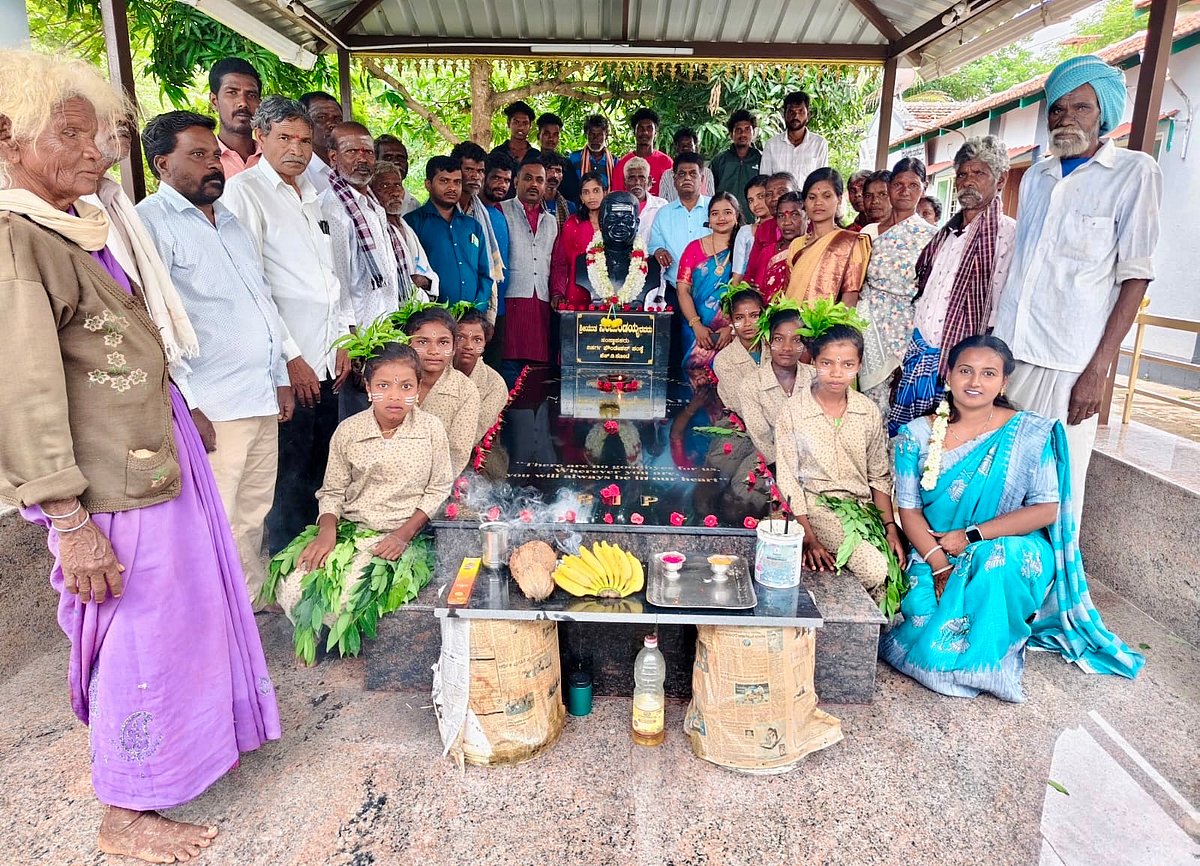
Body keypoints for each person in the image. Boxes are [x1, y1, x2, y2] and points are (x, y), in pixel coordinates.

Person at [0, 50, 279, 862]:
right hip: (111, 489)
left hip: (157, 455)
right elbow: (23, 390)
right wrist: (66, 520)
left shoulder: (82, 224)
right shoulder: (20, 239)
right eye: (71, 135)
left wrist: (177, 402)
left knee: (183, 620)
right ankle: (126, 808)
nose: (95, 153)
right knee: (141, 633)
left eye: (100, 136)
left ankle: (179, 757)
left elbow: (118, 342)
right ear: (8, 140)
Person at [882, 335, 1144, 700]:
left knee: (996, 563)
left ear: (1004, 383)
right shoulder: (916, 434)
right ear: (948, 375)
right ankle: (952, 657)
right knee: (922, 609)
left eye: (988, 374)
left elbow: (1045, 509)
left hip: (1011, 547)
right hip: (934, 550)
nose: (975, 382)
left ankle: (987, 667)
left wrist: (971, 536)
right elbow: (908, 509)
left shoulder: (1029, 433)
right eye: (966, 371)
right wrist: (940, 565)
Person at [994, 55, 1161, 525]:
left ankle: (1052, 593)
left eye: (1081, 107)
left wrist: (1098, 371)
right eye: (1057, 108)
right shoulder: (1036, 177)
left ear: (1103, 114)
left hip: (1070, 363)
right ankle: (999, 583)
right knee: (1004, 477)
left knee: (1058, 486)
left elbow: (1136, 276)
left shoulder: (1135, 172)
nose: (1066, 117)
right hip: (1011, 355)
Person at [137, 110, 294, 601]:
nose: (213, 164)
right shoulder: (151, 225)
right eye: (197, 155)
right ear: (163, 164)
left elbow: (261, 298)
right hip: (213, 404)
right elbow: (153, 321)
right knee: (217, 519)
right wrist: (190, 401)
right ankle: (215, 617)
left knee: (253, 512)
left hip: (259, 395)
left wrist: (281, 373)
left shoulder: (229, 221)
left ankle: (247, 608)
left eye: (213, 155)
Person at [221, 96, 353, 554]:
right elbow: (253, 286)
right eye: (284, 138)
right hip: (287, 364)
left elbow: (331, 280)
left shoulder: (313, 196)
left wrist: (343, 339)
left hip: (325, 358)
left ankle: (313, 565)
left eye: (303, 139)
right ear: (260, 137)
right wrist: (290, 358)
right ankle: (282, 569)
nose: (296, 149)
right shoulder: (244, 194)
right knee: (287, 477)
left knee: (320, 468)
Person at [267, 341, 451, 663]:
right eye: (383, 385)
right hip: (353, 531)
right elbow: (332, 491)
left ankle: (346, 642)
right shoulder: (348, 431)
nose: (395, 395)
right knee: (294, 583)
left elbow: (438, 488)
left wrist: (402, 535)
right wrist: (327, 532)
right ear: (368, 388)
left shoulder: (432, 429)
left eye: (406, 386)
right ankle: (326, 636)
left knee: (352, 591)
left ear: (419, 389)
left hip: (403, 534)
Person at [773, 304, 903, 602]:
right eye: (827, 363)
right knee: (873, 569)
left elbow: (878, 476)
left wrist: (890, 528)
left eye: (847, 365)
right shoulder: (794, 411)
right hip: (816, 508)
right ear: (813, 362)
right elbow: (790, 480)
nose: (836, 373)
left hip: (861, 509)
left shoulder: (867, 411)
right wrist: (807, 536)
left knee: (894, 569)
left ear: (858, 366)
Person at [890, 137, 1018, 436]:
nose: (967, 181)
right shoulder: (947, 233)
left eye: (979, 173)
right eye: (962, 174)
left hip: (962, 364)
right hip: (921, 354)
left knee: (948, 442)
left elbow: (1002, 307)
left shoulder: (1007, 235)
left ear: (1000, 179)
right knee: (910, 442)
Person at [321, 122, 426, 419]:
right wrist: (351, 342)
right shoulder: (334, 208)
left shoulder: (372, 206)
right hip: (359, 340)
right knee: (358, 423)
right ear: (333, 157)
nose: (361, 158)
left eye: (367, 151)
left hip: (383, 333)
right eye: (351, 151)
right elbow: (338, 281)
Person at [854, 157, 938, 415]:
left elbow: (930, 288)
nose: (904, 191)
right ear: (890, 187)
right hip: (867, 322)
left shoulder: (931, 236)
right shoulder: (869, 232)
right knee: (866, 398)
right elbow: (855, 279)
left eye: (913, 185)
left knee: (896, 397)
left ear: (924, 187)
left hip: (905, 326)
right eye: (899, 184)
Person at [404, 155, 494, 313]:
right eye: (444, 181)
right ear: (428, 184)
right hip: (431, 317)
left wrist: (477, 311)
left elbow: (484, 275)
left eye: (457, 182)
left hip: (470, 318)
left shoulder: (473, 226)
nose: (452, 188)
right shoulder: (412, 223)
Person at [500, 155, 559, 383]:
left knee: (536, 376)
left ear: (545, 185)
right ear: (516, 182)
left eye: (539, 180)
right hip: (511, 300)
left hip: (541, 303)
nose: (534, 184)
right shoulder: (501, 211)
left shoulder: (551, 221)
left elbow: (555, 263)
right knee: (509, 368)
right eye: (528, 178)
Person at [405, 305, 482, 475]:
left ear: (454, 348)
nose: (433, 351)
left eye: (443, 342)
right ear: (408, 344)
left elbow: (457, 453)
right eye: (423, 342)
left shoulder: (465, 391)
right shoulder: (392, 380)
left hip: (437, 486)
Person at [736, 298, 813, 465]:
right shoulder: (751, 386)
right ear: (768, 340)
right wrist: (789, 474)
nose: (787, 347)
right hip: (776, 468)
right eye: (779, 339)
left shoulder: (816, 379)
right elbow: (762, 441)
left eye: (797, 340)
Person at [677, 193, 742, 383]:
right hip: (695, 330)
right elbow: (683, 291)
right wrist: (696, 325)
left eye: (727, 212)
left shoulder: (745, 248)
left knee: (728, 383)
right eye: (715, 213)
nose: (721, 218)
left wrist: (731, 328)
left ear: (737, 217)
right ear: (709, 220)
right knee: (694, 382)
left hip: (733, 332)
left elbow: (751, 294)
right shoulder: (693, 248)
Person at [784, 168, 871, 305]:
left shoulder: (850, 242)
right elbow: (788, 292)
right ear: (804, 203)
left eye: (826, 196)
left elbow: (850, 299)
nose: (818, 202)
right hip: (792, 322)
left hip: (829, 324)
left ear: (839, 199)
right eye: (812, 197)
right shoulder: (797, 244)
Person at [368, 160, 440, 301]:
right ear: (370, 192)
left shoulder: (404, 225)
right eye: (385, 186)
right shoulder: (373, 228)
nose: (394, 192)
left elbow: (427, 273)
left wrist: (424, 281)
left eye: (397, 185)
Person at [450, 140, 506, 319]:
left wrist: (481, 308)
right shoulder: (443, 212)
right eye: (469, 170)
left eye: (480, 171)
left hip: (479, 304)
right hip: (448, 305)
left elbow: (486, 269)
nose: (476, 176)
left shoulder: (481, 213)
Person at [649, 152, 712, 287]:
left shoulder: (715, 208)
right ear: (674, 180)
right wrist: (658, 251)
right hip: (674, 288)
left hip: (712, 288)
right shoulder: (663, 213)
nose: (687, 178)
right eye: (682, 174)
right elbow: (654, 245)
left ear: (702, 178)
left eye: (693, 174)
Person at [551, 170, 606, 309]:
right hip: (577, 290)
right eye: (586, 192)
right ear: (581, 197)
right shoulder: (573, 223)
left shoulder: (613, 223)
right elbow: (561, 261)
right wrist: (558, 292)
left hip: (610, 292)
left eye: (596, 191)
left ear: (605, 193)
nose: (591, 196)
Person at [479, 152, 515, 367]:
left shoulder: (499, 215)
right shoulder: (473, 213)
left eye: (507, 180)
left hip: (499, 307)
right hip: (478, 308)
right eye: (496, 178)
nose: (502, 185)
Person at [736, 171, 798, 287]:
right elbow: (751, 273)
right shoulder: (764, 229)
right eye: (769, 194)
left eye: (781, 192)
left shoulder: (808, 228)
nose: (774, 198)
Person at [454, 308, 509, 438]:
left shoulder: (495, 384)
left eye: (477, 340)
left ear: (485, 343)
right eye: (461, 338)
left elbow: (477, 430)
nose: (469, 346)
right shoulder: (437, 372)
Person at [712, 285, 766, 415]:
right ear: (730, 320)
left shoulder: (776, 350)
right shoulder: (724, 360)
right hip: (740, 424)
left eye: (754, 316)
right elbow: (740, 403)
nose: (747, 323)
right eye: (739, 318)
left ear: (764, 316)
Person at [208, 56, 261, 178]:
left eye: (252, 95)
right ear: (214, 101)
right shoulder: (201, 163)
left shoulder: (273, 158)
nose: (243, 102)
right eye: (232, 93)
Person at [748, 190, 805, 301]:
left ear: (807, 217)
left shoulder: (812, 250)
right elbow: (758, 288)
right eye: (781, 216)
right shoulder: (768, 252)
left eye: (794, 215)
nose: (787, 222)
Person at [760, 91, 828, 184]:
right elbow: (765, 180)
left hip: (807, 198)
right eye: (791, 111)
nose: (796, 116)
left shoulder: (819, 144)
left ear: (808, 115)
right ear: (784, 114)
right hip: (779, 198)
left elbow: (822, 180)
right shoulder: (772, 145)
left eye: (800, 111)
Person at [711, 109, 763, 215]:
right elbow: (711, 192)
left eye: (747, 129)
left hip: (754, 219)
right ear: (731, 134)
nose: (743, 134)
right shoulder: (719, 161)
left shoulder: (762, 158)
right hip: (726, 219)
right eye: (738, 130)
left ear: (754, 132)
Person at [613, 108, 673, 196]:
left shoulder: (667, 163)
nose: (645, 132)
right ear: (634, 132)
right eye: (640, 128)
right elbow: (618, 197)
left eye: (649, 128)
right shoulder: (623, 164)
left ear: (655, 133)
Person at [297, 91, 342, 193]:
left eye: (338, 119)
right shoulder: (298, 172)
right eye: (321, 118)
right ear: (302, 123)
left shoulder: (347, 167)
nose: (332, 125)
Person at [660, 127, 715, 202]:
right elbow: (662, 202)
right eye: (682, 145)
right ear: (676, 148)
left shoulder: (707, 173)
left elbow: (711, 201)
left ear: (695, 147)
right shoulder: (667, 175)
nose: (686, 148)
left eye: (689, 145)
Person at [537, 111, 580, 202]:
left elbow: (573, 195)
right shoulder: (531, 162)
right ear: (538, 135)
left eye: (555, 135)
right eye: (547, 134)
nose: (551, 138)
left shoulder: (566, 164)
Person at [731, 174, 769, 276]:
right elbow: (737, 273)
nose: (755, 204)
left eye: (761, 197)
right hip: (748, 288)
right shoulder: (745, 232)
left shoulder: (785, 229)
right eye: (751, 200)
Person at [374, 133, 419, 216]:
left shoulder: (414, 205)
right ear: (374, 160)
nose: (396, 162)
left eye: (400, 158)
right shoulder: (364, 200)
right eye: (388, 157)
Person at [625, 155, 667, 244]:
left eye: (641, 178)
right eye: (632, 178)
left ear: (649, 180)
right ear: (625, 182)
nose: (637, 183)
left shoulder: (661, 205)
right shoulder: (617, 207)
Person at [570, 114, 616, 192]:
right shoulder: (574, 159)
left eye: (599, 135)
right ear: (586, 135)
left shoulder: (614, 162)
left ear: (606, 136)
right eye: (592, 134)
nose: (595, 138)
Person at [491, 100, 539, 166]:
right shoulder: (497, 153)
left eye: (525, 123)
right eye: (516, 122)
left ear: (530, 126)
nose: (521, 127)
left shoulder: (536, 156)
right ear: (508, 123)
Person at [541, 150, 578, 228]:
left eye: (558, 171)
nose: (554, 175)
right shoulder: (532, 203)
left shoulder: (570, 207)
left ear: (562, 176)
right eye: (549, 169)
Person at [858, 170, 893, 238]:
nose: (874, 201)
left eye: (883, 194)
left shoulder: (905, 231)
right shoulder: (866, 232)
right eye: (868, 196)